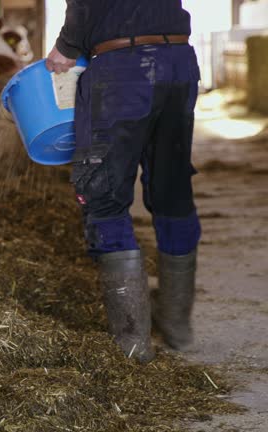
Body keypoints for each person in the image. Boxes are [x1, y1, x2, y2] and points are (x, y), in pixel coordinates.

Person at [45, 1, 201, 363]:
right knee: (173, 189)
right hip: (179, 62)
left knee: (103, 196)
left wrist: (67, 48)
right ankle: (177, 327)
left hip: (124, 69)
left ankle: (133, 346)